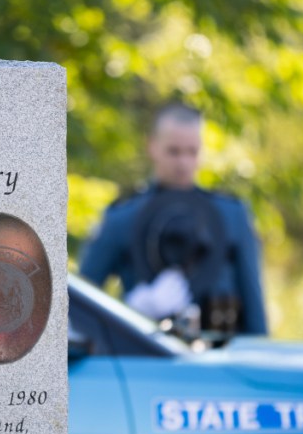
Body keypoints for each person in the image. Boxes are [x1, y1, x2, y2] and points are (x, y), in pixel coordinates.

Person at [79, 102, 268, 336]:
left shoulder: (231, 216)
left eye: (192, 152)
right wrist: (131, 310)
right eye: (174, 151)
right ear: (152, 146)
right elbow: (81, 304)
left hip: (221, 354)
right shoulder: (122, 218)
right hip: (144, 353)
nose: (183, 163)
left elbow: (255, 313)